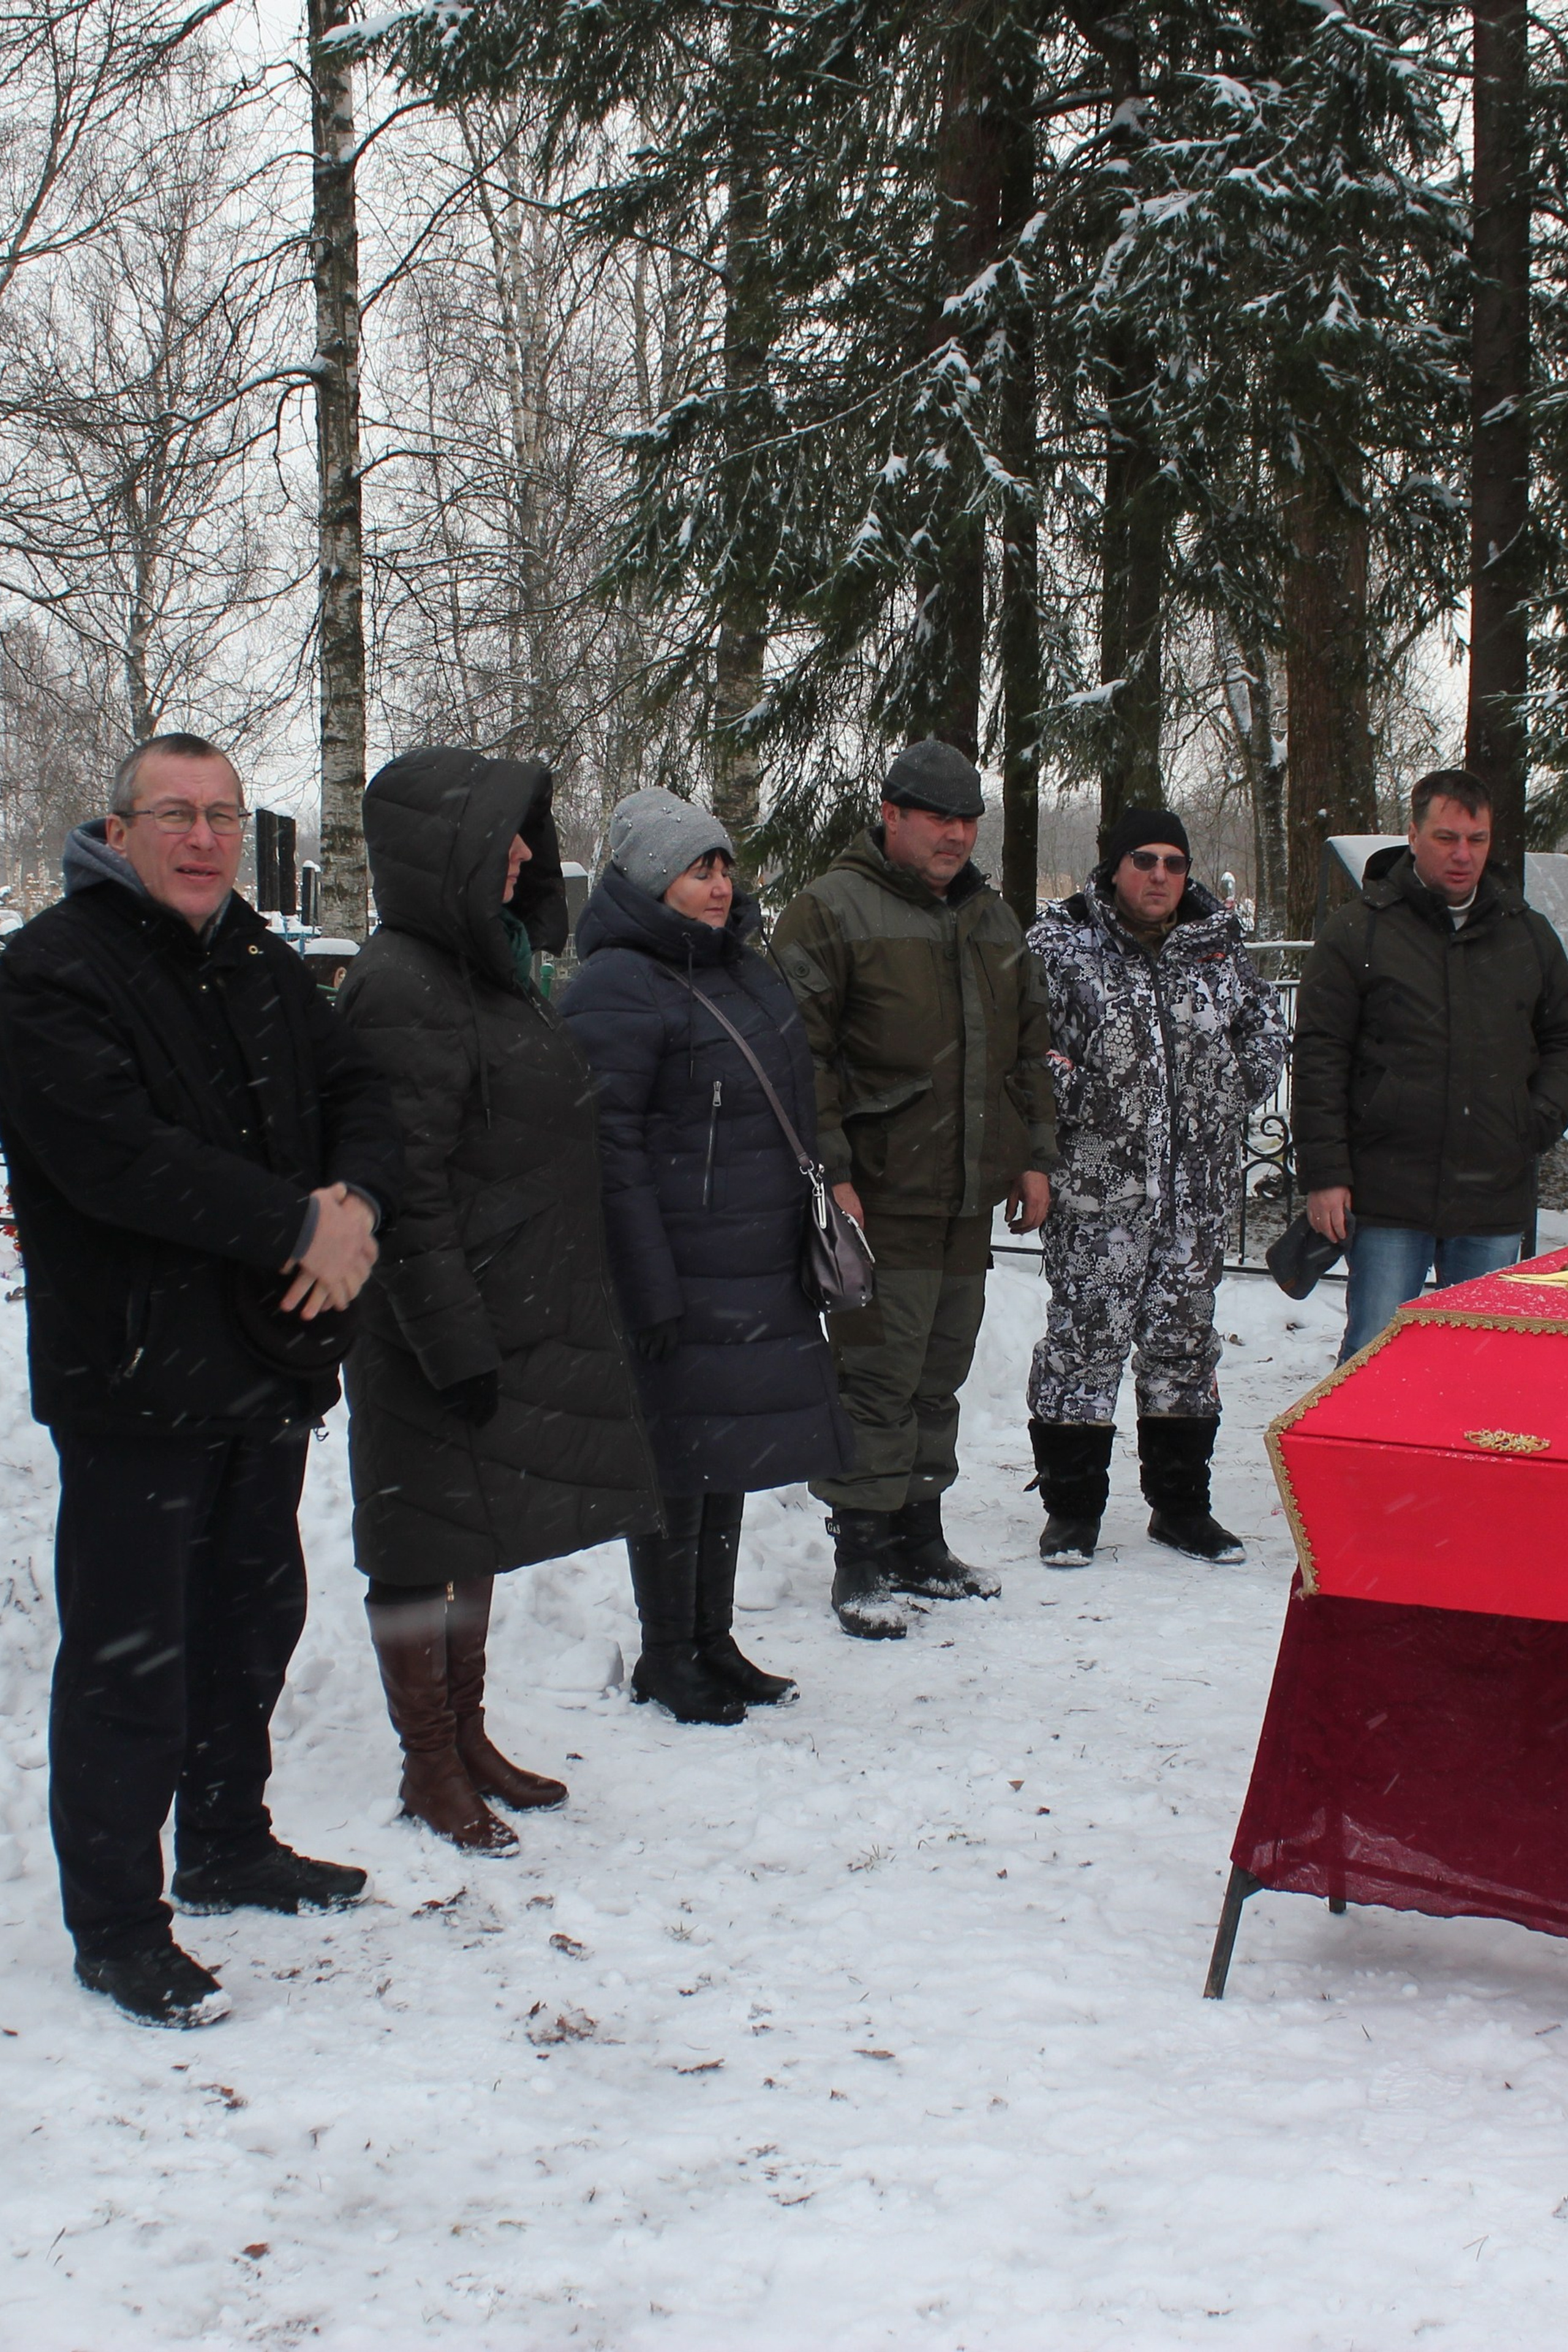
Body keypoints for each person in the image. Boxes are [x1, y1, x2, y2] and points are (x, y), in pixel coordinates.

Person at [0, 733, 402, 2028]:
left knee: (249, 1614)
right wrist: (299, 1229)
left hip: (262, 1359)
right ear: (114, 831)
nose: (203, 837)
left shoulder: (257, 962)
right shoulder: (52, 972)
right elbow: (115, 1156)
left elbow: (358, 1088)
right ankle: (117, 1922)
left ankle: (229, 1841)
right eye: (174, 814)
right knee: (134, 1655)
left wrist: (355, 1200)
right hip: (133, 1375)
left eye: (224, 814)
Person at [336, 748, 661, 1850]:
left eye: (525, 833)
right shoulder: (397, 986)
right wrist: (452, 1338)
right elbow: (404, 1187)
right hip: (433, 1322)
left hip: (496, 1303)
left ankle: (466, 1734)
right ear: (444, 852)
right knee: (418, 1538)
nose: (526, 853)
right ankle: (428, 1761)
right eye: (502, 835)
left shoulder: (489, 970)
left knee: (465, 1522)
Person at [559, 791, 851, 1722]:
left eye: (724, 866)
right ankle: (665, 1654)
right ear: (652, 880)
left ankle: (712, 1639)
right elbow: (609, 1150)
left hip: (751, 1258)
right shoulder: (616, 984)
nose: (720, 885)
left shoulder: (738, 969)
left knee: (722, 1453)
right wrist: (647, 1285)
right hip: (679, 1266)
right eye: (699, 869)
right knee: (675, 1464)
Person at [772, 740, 1056, 1638]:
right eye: (938, 816)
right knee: (876, 1374)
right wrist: (834, 1172)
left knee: (941, 1370)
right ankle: (861, 1553)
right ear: (891, 814)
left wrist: (1033, 1153)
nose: (956, 835)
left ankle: (919, 1540)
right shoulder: (828, 911)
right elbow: (800, 1060)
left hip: (965, 1196)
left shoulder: (992, 919)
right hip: (879, 1195)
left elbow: (1028, 1047)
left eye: (969, 819)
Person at [1025, 807, 1287, 1566]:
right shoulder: (1061, 945)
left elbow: (1265, 1027)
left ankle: (1180, 1508)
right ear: (1113, 868)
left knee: (1182, 1348)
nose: (1161, 876)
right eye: (1144, 860)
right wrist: (1076, 1093)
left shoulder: (1216, 946)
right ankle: (1070, 1514)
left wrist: (1231, 1085)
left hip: (1196, 1197)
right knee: (1084, 1347)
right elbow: (1025, 1043)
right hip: (1096, 1196)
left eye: (1174, 862)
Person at [1294, 769, 1568, 1363]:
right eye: (1446, 838)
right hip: (1388, 1193)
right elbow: (1319, 1058)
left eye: (1477, 839)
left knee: (1477, 1367)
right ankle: (1362, 1462)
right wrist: (1324, 1174)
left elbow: (1561, 1040)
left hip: (1492, 1196)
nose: (1463, 855)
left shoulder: (1528, 938)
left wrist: (1534, 1120)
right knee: (1372, 1358)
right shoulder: (1357, 933)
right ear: (1413, 835)